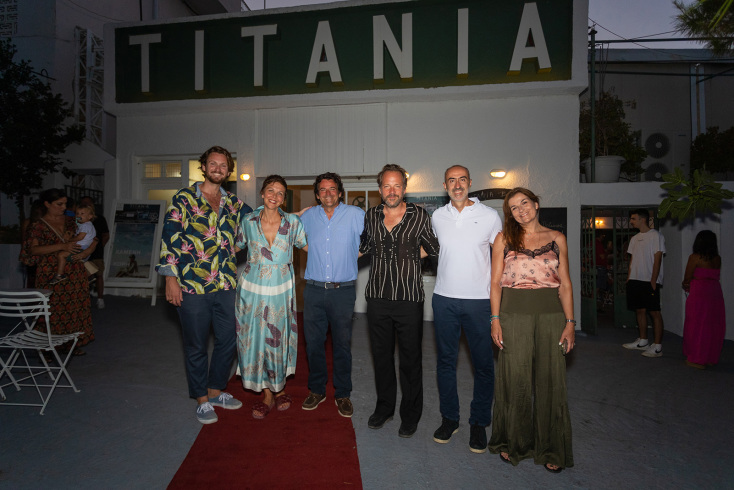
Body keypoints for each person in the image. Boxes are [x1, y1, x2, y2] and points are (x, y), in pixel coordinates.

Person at [157, 146, 250, 424]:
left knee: (229, 339)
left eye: (223, 165)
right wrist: (170, 279)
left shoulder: (234, 203)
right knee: (196, 344)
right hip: (191, 285)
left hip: (226, 284)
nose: (218, 169)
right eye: (213, 164)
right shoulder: (184, 198)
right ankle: (201, 399)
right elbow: (170, 237)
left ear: (229, 170)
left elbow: (261, 219)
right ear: (204, 167)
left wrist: (295, 216)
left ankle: (215, 390)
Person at [488, 187, 575, 473]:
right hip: (513, 314)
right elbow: (495, 283)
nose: (520, 210)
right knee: (516, 380)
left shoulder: (557, 238)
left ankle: (552, 448)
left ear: (536, 204)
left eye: (524, 203)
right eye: (513, 207)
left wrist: (570, 323)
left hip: (551, 315)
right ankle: (514, 442)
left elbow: (565, 284)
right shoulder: (504, 239)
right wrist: (495, 319)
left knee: (552, 380)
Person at [359, 163, 439, 438]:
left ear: (404, 188)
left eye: (397, 186)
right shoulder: (371, 216)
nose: (391, 191)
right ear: (380, 189)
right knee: (381, 357)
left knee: (410, 360)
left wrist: (409, 256)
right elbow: (364, 247)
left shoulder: (419, 215)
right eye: (386, 186)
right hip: (377, 297)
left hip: (409, 299)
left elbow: (433, 247)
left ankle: (410, 414)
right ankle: (384, 408)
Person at [430, 165, 502, 453]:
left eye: (462, 179)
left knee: (483, 364)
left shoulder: (490, 216)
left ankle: (479, 423)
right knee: (445, 363)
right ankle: (450, 418)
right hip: (443, 299)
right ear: (445, 185)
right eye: (451, 180)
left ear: (470, 182)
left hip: (479, 302)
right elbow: (430, 249)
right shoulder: (437, 216)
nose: (457, 185)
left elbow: (502, 258)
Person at [235, 175, 308, 419]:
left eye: (279, 193)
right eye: (270, 190)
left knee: (278, 339)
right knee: (255, 340)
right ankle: (267, 394)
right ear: (262, 193)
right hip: (252, 291)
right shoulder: (248, 221)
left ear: (284, 199)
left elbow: (309, 246)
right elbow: (233, 247)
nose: (274, 196)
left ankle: (279, 388)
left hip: (280, 291)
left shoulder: (293, 223)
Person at [300, 172, 365, 418]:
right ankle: (317, 390)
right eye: (323, 190)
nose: (328, 193)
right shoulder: (308, 216)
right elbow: (288, 231)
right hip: (314, 290)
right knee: (313, 344)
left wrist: (350, 255)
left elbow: (370, 241)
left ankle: (342, 394)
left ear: (340, 192)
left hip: (343, 291)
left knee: (342, 345)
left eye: (332, 189)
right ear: (317, 195)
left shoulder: (356, 214)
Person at [20, 188, 96, 355]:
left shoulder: (72, 220)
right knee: (50, 310)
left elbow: (93, 238)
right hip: (50, 273)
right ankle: (47, 348)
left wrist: (86, 253)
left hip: (75, 271)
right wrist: (62, 246)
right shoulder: (38, 225)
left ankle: (70, 344)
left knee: (74, 308)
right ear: (47, 204)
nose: (64, 207)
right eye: (59, 204)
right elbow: (33, 250)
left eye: (65, 204)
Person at [622, 208, 666, 357]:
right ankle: (643, 341)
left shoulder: (656, 236)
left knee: (654, 312)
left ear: (643, 219)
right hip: (635, 280)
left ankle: (657, 346)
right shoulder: (634, 239)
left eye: (633, 219)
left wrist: (653, 279)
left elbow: (658, 258)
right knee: (639, 310)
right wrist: (629, 278)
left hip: (649, 280)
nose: (631, 222)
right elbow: (632, 260)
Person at [682, 230, 725, 369]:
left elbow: (687, 278)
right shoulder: (717, 259)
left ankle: (697, 358)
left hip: (699, 292)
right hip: (715, 292)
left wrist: (686, 285)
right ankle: (710, 357)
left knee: (696, 324)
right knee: (713, 325)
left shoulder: (695, 257)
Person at [48, 203, 96, 285]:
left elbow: (80, 237)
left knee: (61, 255)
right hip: (83, 247)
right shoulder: (87, 225)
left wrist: (70, 240)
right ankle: (89, 275)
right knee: (78, 261)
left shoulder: (85, 225)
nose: (79, 215)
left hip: (81, 247)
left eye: (82, 214)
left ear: (90, 216)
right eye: (77, 213)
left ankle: (59, 275)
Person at [79, 196, 110, 309]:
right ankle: (83, 298)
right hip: (82, 251)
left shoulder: (99, 219)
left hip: (96, 252)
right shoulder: (78, 219)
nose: (86, 205)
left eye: (88, 203)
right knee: (83, 275)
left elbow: (106, 235)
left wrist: (99, 246)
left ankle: (100, 299)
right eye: (84, 203)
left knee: (98, 274)